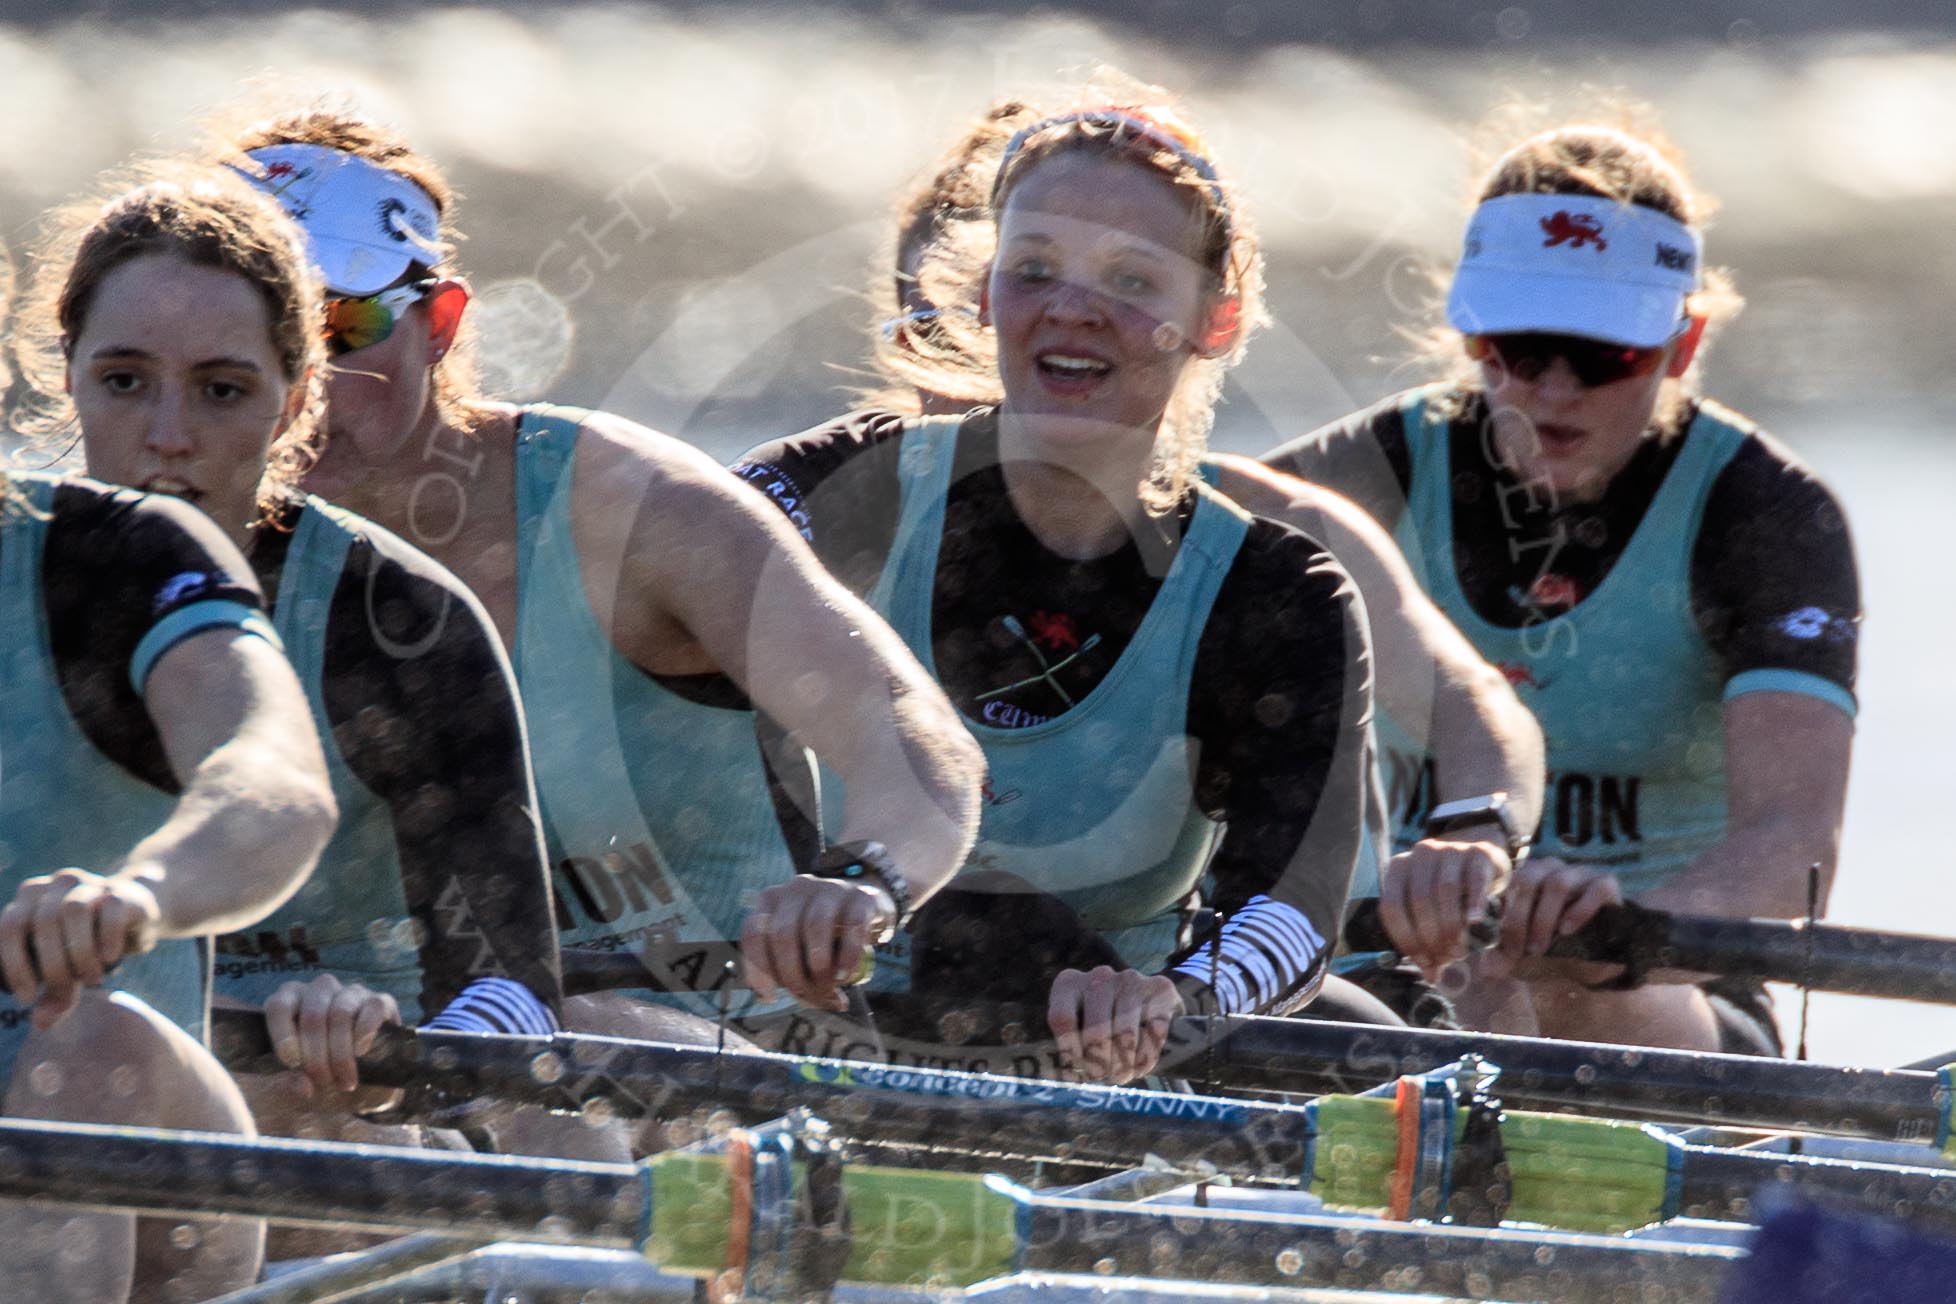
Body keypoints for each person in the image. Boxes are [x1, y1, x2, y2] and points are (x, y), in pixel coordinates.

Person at [216, 109, 983, 1053]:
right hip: (360, 1085)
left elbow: (911, 737)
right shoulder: (134, 536)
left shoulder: (627, 508)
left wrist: (866, 882)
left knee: (557, 1040)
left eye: (345, 324)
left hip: (695, 1073)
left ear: (439, 324)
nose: (307, 383)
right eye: (260, 338)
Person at [854, 99, 1549, 1031]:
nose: (1040, 328)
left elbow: (1475, 705)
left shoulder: (1270, 535)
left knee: (1377, 1042)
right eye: (934, 328)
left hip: (1222, 977)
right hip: (908, 976)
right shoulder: (843, 502)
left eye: (1112, 285)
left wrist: (1473, 830)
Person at [736, 79, 1373, 1083]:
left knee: (1365, 1044)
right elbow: (632, 597)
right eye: (1034, 270)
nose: (1074, 310)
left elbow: (1291, 904)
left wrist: (1183, 998)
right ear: (985, 298)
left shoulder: (1275, 592)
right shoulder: (837, 495)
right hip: (816, 1020)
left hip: (1102, 1054)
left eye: (1131, 280)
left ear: (1213, 320)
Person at [12, 163, 574, 1199]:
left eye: (222, 390)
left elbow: (519, 993)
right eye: (125, 380)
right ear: (66, 371)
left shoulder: (399, 622)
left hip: (302, 1125)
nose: (169, 434)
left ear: (296, 398)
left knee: (96, 1059)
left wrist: (401, 1058)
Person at [1260, 117, 1859, 1054]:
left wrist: (1616, 936)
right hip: (1396, 980)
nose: (1554, 389)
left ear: (1683, 342)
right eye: (1521, 348)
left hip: (1668, 994)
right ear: (1470, 335)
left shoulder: (1763, 516)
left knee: (1519, 982)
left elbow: (1793, 850)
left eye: (1603, 354)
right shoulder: (1355, 479)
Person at [0, 232, 338, 1300]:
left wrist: (137, 895)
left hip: (138, 1153)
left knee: (85, 1041)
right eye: (128, 377)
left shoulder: (119, 551)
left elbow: (274, 782)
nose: (168, 429)